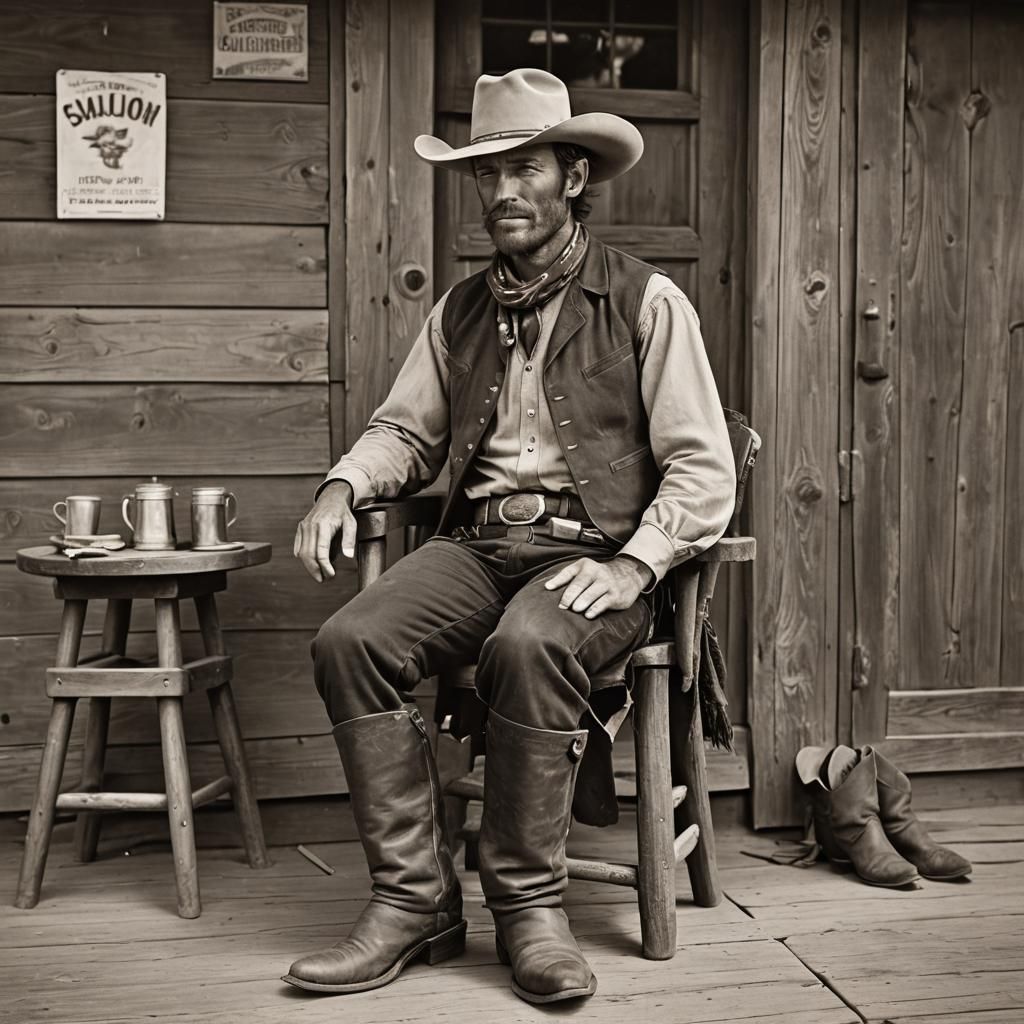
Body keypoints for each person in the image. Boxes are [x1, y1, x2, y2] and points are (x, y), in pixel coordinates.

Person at [285, 67, 736, 1005]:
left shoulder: (646, 301)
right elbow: (406, 432)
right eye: (486, 174)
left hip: (596, 557)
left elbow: (702, 469)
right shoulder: (458, 311)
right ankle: (414, 904)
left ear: (573, 175)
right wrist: (341, 486)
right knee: (349, 641)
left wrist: (636, 566)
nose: (502, 191)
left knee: (529, 643)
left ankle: (529, 909)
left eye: (524, 168)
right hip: (479, 547)